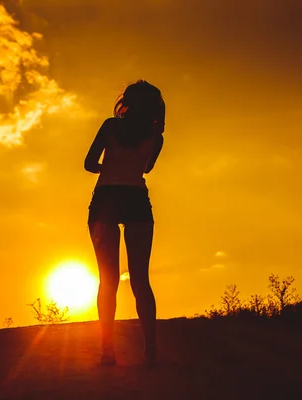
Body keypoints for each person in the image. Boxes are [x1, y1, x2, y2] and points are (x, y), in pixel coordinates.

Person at [84, 80, 165, 366]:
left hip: (106, 198)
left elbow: (89, 163)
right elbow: (147, 168)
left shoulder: (110, 126)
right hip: (136, 199)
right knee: (140, 279)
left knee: (108, 280)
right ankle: (150, 352)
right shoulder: (155, 136)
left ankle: (107, 351)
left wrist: (111, 166)